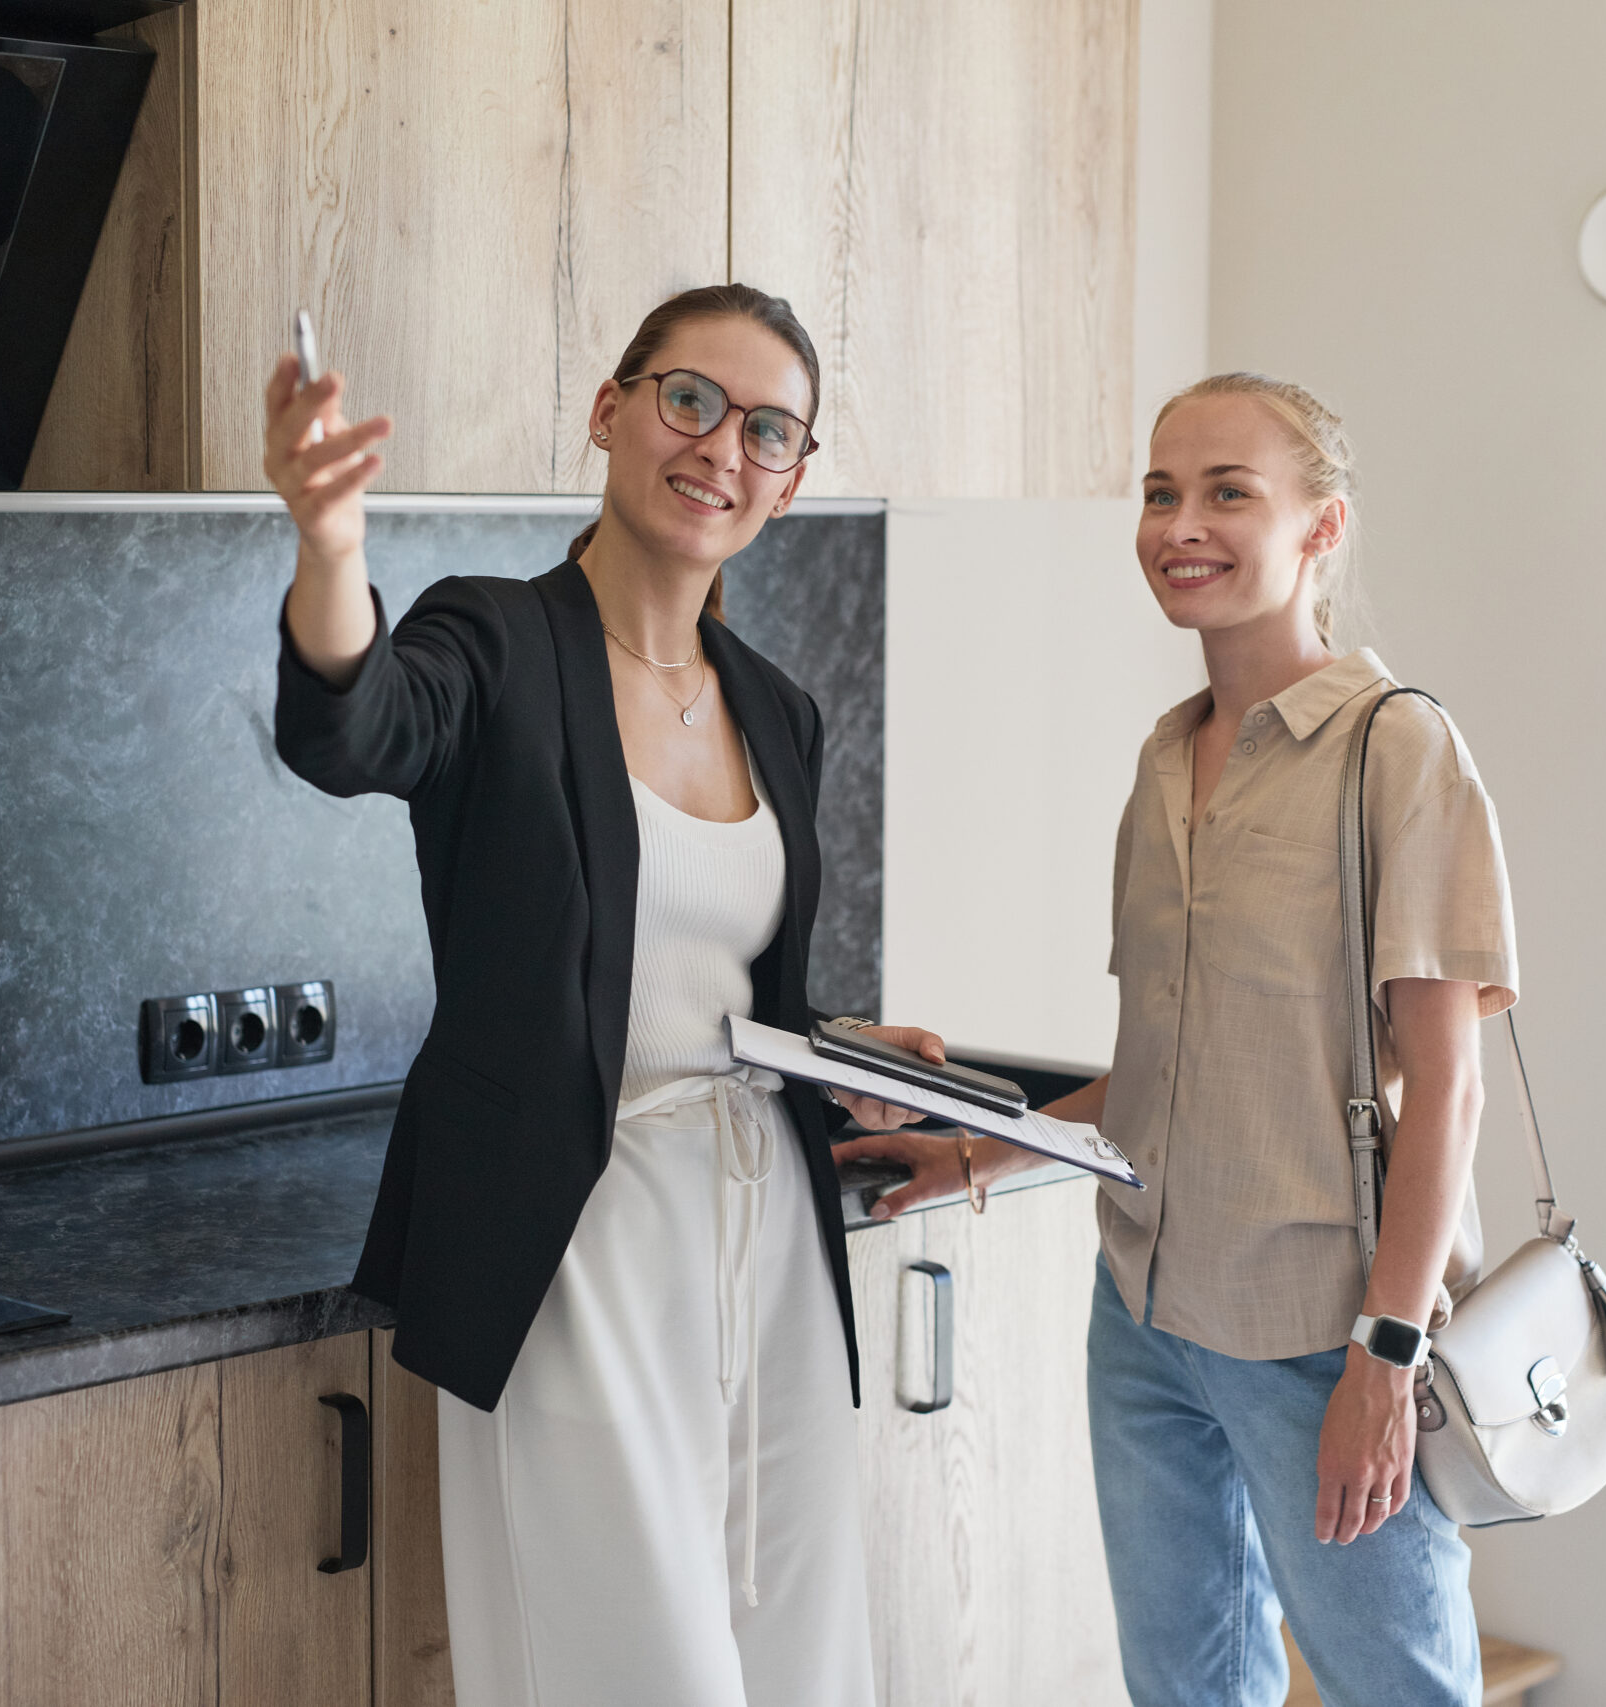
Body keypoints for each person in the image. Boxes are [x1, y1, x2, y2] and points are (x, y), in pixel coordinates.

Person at [263, 284, 946, 1707]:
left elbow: (720, 985)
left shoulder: (778, 704)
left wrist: (843, 1048)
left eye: (770, 429)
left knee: (806, 1663)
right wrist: (331, 548)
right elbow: (358, 726)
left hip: (766, 1243)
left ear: (795, 475)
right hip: (572, 1237)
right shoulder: (499, 645)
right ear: (612, 410)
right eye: (690, 399)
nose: (722, 448)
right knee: (638, 1677)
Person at [838, 373, 1517, 1706]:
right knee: (1187, 1694)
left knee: (1402, 1691)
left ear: (1319, 529)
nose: (1179, 524)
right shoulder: (1167, 760)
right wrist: (980, 1153)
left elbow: (1448, 1089)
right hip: (1144, 1324)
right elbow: (1169, 1077)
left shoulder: (1398, 750)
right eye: (1161, 491)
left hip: (1323, 1330)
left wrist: (1386, 1357)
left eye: (1226, 493)